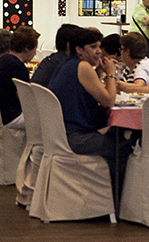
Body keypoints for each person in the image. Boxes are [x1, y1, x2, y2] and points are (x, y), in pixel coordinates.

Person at [47, 28, 134, 202]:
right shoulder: (83, 66)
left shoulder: (67, 64)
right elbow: (109, 101)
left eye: (100, 46)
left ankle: (105, 196)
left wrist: (100, 72)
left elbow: (86, 87)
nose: (99, 51)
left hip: (59, 135)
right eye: (93, 47)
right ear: (79, 49)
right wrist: (110, 72)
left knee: (117, 137)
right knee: (125, 146)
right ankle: (119, 202)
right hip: (75, 138)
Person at [0, 26, 40, 129]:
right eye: (34, 49)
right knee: (48, 120)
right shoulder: (18, 67)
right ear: (26, 48)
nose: (34, 54)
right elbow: (25, 100)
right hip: (11, 117)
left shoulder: (3, 60)